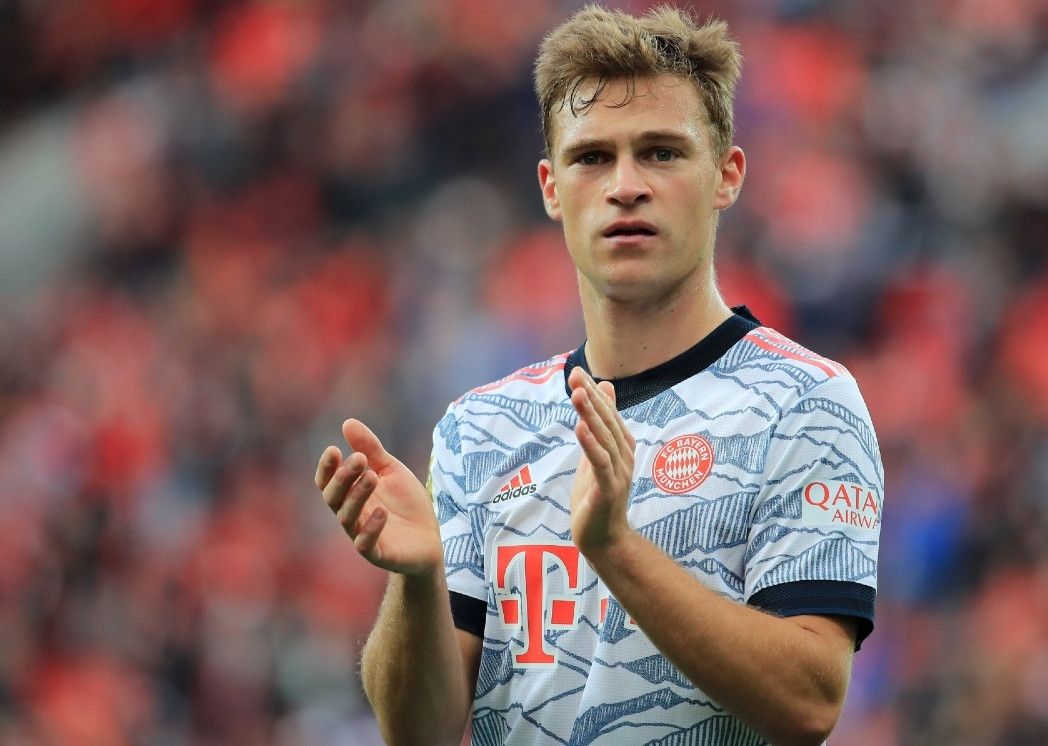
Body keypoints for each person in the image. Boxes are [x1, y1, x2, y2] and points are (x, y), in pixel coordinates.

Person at [315, 5, 883, 744]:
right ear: (551, 187)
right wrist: (418, 582)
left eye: (662, 152)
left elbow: (808, 703)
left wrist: (617, 549)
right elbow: (417, 733)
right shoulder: (480, 429)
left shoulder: (806, 403)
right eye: (592, 158)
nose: (625, 185)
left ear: (726, 175)